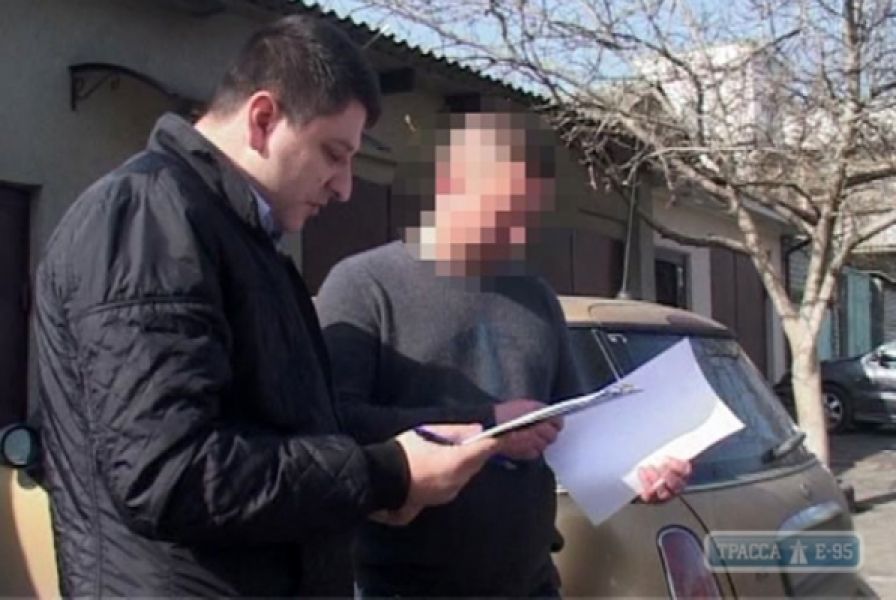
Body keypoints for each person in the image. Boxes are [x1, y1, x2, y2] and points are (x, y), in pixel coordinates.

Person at [33, 16, 499, 597]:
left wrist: (435, 441)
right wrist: (385, 473)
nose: (344, 187)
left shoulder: (241, 239)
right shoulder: (149, 220)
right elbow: (171, 475)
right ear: (262, 119)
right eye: (333, 154)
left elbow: (298, 428)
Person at [317, 110, 692, 597]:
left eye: (526, 214)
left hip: (530, 583)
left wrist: (637, 476)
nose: (517, 231)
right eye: (504, 211)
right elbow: (334, 425)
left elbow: (574, 430)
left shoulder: (535, 295)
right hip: (399, 586)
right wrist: (490, 426)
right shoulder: (364, 285)